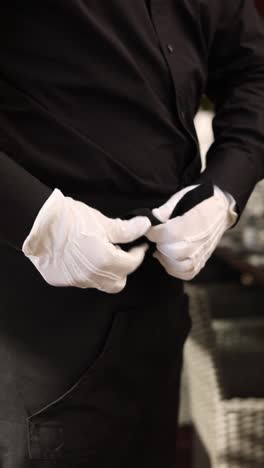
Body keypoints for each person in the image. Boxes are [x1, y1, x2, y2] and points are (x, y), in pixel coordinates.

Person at [0, 1, 263, 467]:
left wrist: (225, 190)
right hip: (37, 315)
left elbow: (253, 69)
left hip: (160, 301)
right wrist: (34, 218)